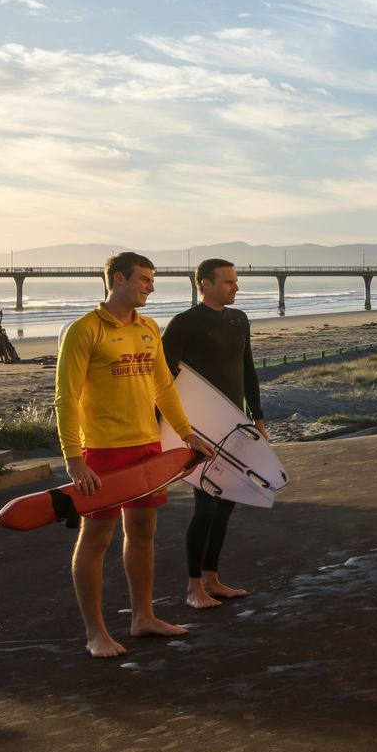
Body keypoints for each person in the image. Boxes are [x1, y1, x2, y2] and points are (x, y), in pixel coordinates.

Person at [55, 251, 216, 658]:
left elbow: (164, 387)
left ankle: (142, 617)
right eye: (144, 279)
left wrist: (185, 435)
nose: (151, 285)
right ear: (118, 279)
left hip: (146, 445)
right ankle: (96, 633)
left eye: (152, 279)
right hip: (102, 450)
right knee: (96, 538)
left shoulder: (147, 327)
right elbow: (66, 397)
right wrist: (74, 458)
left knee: (143, 532)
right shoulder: (83, 330)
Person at [163, 257, 265, 609]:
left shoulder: (239, 319)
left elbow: (247, 370)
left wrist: (259, 417)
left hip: (235, 422)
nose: (236, 287)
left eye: (235, 282)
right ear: (203, 284)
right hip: (200, 427)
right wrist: (173, 430)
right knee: (206, 505)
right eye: (228, 282)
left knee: (227, 503)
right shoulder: (184, 324)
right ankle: (194, 587)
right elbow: (162, 381)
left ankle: (212, 578)